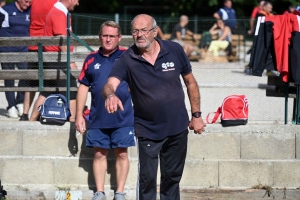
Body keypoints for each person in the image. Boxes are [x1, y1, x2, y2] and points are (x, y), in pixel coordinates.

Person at [102, 14, 206, 200]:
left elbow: (190, 83)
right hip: (148, 130)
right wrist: (110, 95)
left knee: (171, 179)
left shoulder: (174, 50)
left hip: (177, 128)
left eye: (143, 30)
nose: (139, 35)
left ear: (154, 31)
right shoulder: (127, 59)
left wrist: (196, 115)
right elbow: (110, 84)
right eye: (135, 31)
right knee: (147, 180)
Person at [76, 21, 135, 200]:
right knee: (99, 153)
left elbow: (140, 81)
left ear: (119, 38)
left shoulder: (128, 56)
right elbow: (83, 87)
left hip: (123, 117)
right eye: (105, 36)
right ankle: (99, 193)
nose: (108, 39)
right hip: (97, 116)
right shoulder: (91, 59)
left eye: (112, 36)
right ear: (100, 37)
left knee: (122, 153)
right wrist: (78, 115)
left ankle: (120, 193)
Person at [29, 0, 79, 122]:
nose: (77, 3)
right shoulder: (59, 13)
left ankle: (32, 120)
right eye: (77, 0)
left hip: (53, 59)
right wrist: (70, 62)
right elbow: (61, 40)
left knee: (47, 91)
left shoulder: (57, 10)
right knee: (72, 90)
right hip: (58, 60)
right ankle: (72, 121)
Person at [19, 0, 58, 121]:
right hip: (47, 46)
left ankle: (25, 114)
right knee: (48, 85)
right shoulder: (56, 3)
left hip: (33, 44)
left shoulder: (34, 1)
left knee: (32, 83)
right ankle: (34, 117)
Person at [0, 0, 32, 118]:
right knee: (9, 78)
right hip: (7, 50)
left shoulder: (31, 11)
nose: (28, 4)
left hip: (24, 50)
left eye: (30, 2)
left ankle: (20, 101)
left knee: (25, 76)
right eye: (26, 1)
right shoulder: (4, 10)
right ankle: (11, 105)